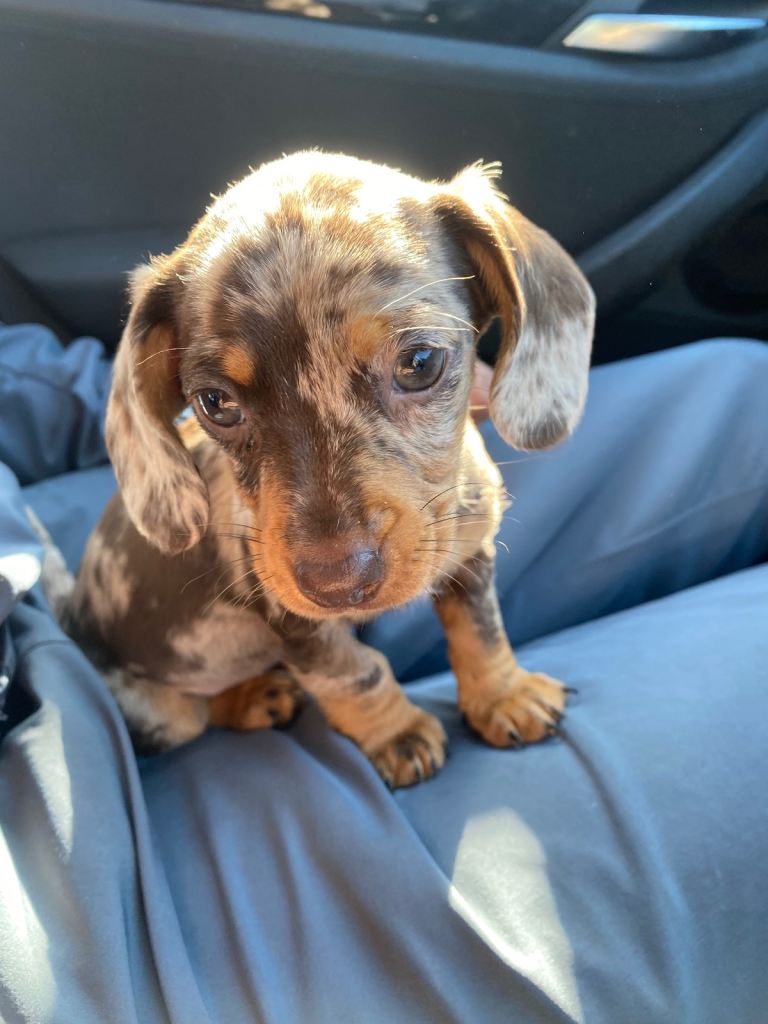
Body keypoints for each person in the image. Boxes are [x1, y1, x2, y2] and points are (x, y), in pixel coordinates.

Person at [1, 323, 767, 1024]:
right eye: (216, 401)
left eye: (418, 360)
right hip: (76, 772)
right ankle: (275, 704)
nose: (349, 568)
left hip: (24, 556)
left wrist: (261, 369)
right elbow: (300, 622)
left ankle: (482, 669)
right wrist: (380, 715)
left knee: (746, 388)